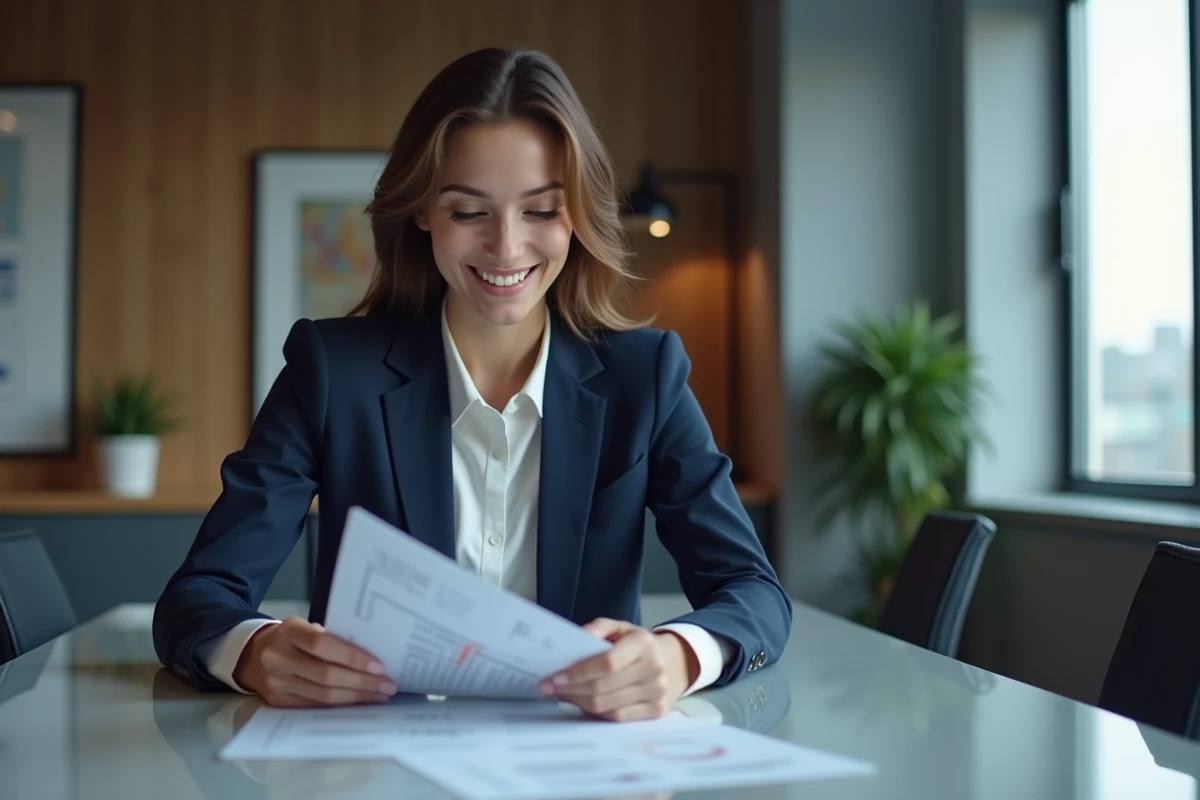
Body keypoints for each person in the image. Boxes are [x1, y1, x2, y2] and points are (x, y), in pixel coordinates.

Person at [153, 47, 791, 722]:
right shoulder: (331, 372)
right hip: (376, 764)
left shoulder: (646, 378)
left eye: (541, 211)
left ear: (577, 216)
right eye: (469, 212)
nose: (507, 248)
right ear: (423, 211)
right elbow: (198, 598)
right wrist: (254, 652)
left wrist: (677, 657)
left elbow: (753, 592)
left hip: (578, 764)